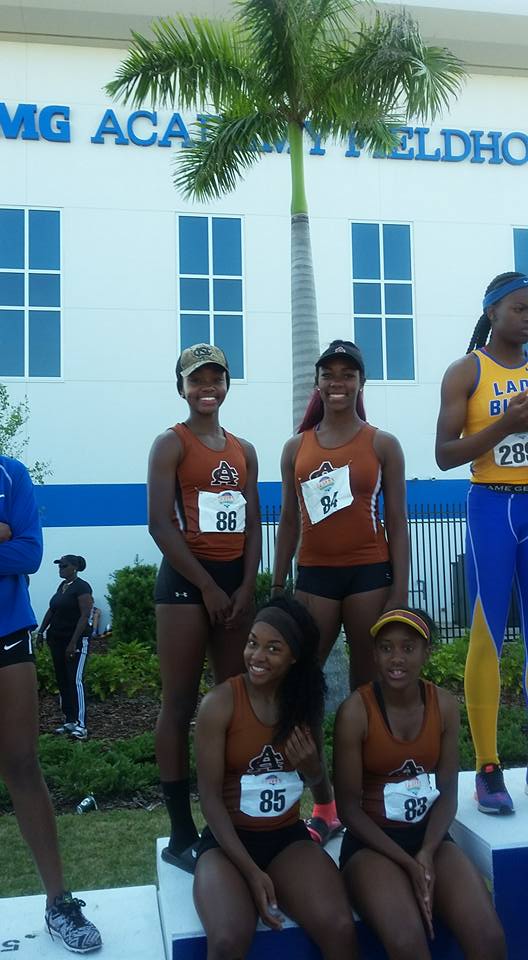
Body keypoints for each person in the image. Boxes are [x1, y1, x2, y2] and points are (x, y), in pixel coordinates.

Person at [272, 339, 409, 843]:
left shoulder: (382, 444)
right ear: (317, 383)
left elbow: (398, 520)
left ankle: (368, 799)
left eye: (347, 374)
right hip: (315, 577)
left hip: (370, 574)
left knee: (368, 693)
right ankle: (325, 804)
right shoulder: (296, 447)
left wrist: (399, 591)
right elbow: (289, 520)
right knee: (302, 687)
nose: (337, 382)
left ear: (360, 383)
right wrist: (278, 583)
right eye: (328, 374)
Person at [334, 607, 506, 960]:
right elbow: (348, 809)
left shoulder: (443, 705)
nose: (396, 658)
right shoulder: (356, 711)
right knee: (407, 941)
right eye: (386, 648)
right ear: (374, 654)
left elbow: (447, 795)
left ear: (427, 653)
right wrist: (408, 862)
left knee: (487, 936)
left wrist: (426, 852)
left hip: (429, 837)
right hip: (372, 845)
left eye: (408, 648)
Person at [192, 595, 359, 960]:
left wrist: (313, 767)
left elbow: (321, 791)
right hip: (227, 843)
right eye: (253, 643)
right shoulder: (219, 704)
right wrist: (252, 872)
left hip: (286, 839)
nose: (257, 656)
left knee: (340, 926)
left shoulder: (303, 703)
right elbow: (209, 798)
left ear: (293, 656)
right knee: (227, 939)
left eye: (273, 648)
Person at [148, 343, 261, 871]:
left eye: (215, 378)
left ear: (227, 384)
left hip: (232, 586)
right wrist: (208, 587)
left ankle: (231, 818)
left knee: (234, 701)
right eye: (196, 380)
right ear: (182, 388)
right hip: (185, 585)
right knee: (178, 704)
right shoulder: (170, 444)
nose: (206, 388)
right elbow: (160, 524)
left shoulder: (244, 450)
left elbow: (253, 522)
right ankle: (179, 833)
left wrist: (246, 585)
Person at [0, 455, 102, 953]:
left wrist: (11, 539)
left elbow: (28, 553)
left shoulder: (10, 474)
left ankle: (58, 902)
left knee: (22, 764)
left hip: (7, 634)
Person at [435, 271, 528, 815]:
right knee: (487, 635)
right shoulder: (467, 371)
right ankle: (488, 767)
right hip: (491, 505)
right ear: (492, 312)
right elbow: (445, 453)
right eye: (520, 308)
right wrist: (505, 424)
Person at [37, 555, 94, 740]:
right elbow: (52, 610)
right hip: (57, 640)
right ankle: (69, 720)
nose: (60, 568)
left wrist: (73, 642)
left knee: (75, 680)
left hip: (75, 641)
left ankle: (81, 725)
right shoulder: (62, 587)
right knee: (62, 680)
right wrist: (41, 632)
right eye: (59, 565)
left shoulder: (82, 587)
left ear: (74, 567)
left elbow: (85, 615)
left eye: (64, 565)